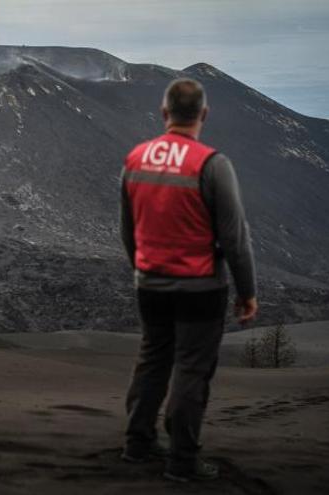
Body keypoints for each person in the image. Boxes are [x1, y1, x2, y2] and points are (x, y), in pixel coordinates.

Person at [118, 78, 258, 482]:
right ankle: (182, 462)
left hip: (151, 285)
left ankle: (137, 445)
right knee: (191, 370)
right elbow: (234, 237)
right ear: (204, 115)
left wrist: (141, 269)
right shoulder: (211, 164)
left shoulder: (135, 159)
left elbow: (128, 230)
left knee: (153, 360)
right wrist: (247, 292)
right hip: (200, 289)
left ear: (164, 114)